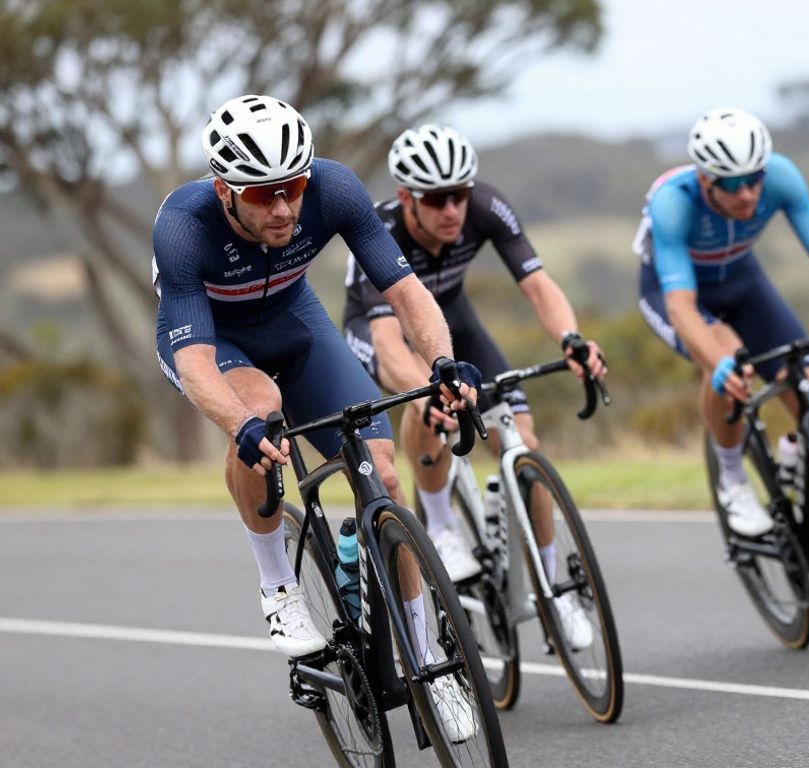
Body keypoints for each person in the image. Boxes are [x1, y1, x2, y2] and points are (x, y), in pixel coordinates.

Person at [153, 96, 479, 739]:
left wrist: (442, 364)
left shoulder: (334, 187)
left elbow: (405, 291)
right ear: (224, 191)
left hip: (297, 325)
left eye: (292, 187)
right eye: (263, 194)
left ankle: (430, 659)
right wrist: (241, 425)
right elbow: (193, 363)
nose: (282, 207)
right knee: (261, 409)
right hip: (216, 342)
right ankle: (278, 584)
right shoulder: (184, 224)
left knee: (384, 479)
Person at [342, 124, 606, 649]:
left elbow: (537, 284)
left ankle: (556, 592)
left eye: (459, 195)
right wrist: (429, 392)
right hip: (383, 330)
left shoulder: (487, 207)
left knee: (525, 444)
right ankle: (439, 522)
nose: (451, 211)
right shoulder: (380, 231)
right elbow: (391, 345)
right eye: (436, 200)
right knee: (423, 402)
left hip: (453, 318)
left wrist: (571, 339)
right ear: (406, 198)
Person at [635, 107, 809, 584]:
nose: (746, 194)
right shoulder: (673, 203)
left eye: (754, 180)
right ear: (705, 180)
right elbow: (682, 308)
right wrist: (718, 364)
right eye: (730, 184)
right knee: (724, 356)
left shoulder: (783, 177)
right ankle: (732, 479)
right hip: (675, 295)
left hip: (745, 284)